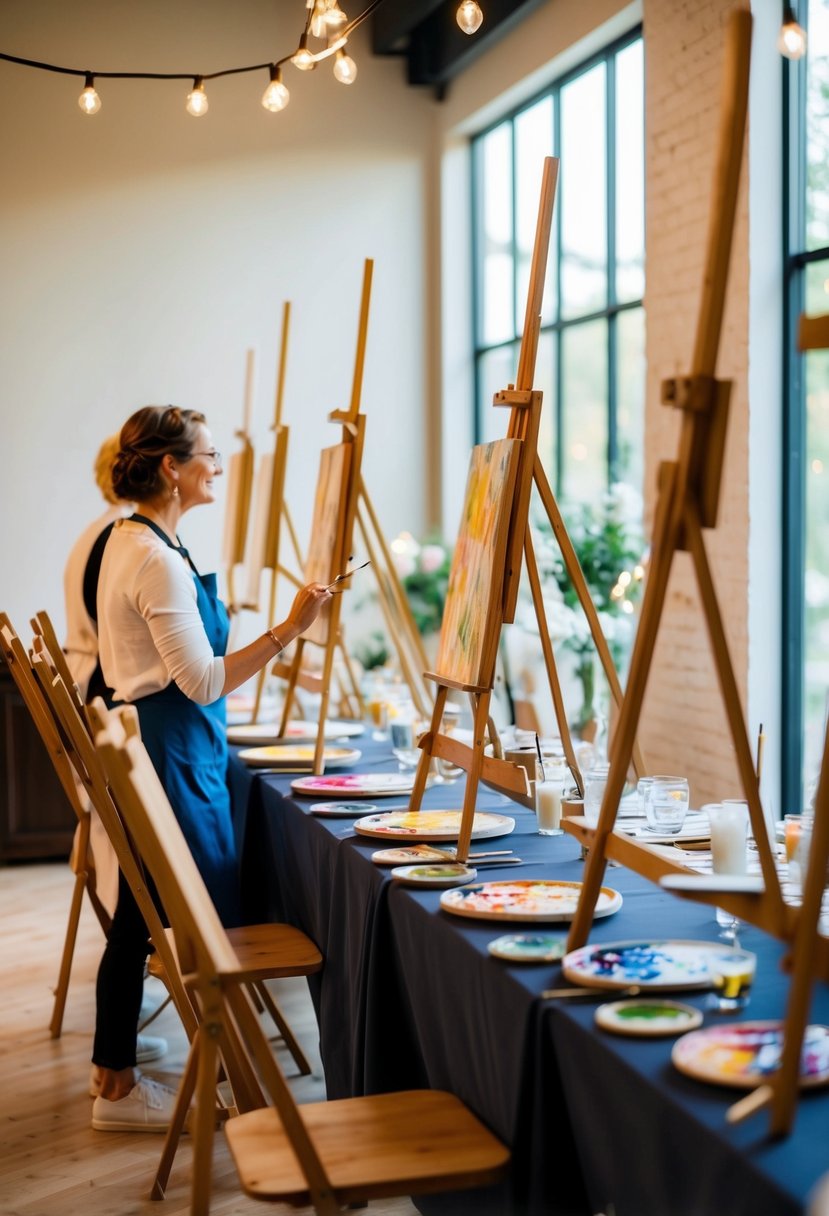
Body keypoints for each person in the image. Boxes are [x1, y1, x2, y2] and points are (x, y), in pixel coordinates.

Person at [89, 404, 330, 1131]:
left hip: (167, 744)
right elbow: (199, 682)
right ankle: (176, 1088)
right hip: (172, 751)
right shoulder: (154, 558)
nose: (218, 466)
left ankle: (114, 1075)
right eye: (210, 455)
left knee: (139, 918)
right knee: (192, 924)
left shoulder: (134, 541)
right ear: (172, 467)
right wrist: (287, 631)